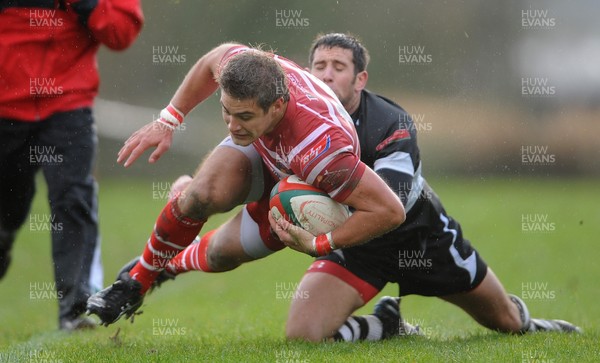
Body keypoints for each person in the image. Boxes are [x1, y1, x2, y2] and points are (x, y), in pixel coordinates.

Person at [85, 42, 406, 339]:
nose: (232, 125)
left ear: (278, 106)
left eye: (244, 116)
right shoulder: (243, 70)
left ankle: (172, 261)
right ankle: (135, 282)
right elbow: (215, 57)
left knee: (220, 254)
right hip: (266, 148)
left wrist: (320, 242)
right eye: (227, 111)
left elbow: (390, 210)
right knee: (200, 197)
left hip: (301, 182)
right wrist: (169, 121)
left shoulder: (324, 152)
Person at [295, 32, 581, 341]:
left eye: (338, 66)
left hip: (421, 238)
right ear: (308, 73)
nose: (326, 74)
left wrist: (323, 240)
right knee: (304, 334)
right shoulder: (298, 126)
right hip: (356, 246)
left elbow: (394, 202)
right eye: (320, 65)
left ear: (360, 79)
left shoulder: (390, 121)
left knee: (506, 322)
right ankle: (385, 326)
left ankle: (535, 325)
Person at [0, 0, 143, 330]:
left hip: (68, 104)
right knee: (8, 209)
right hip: (5, 108)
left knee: (73, 198)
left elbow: (122, 32)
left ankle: (76, 309)